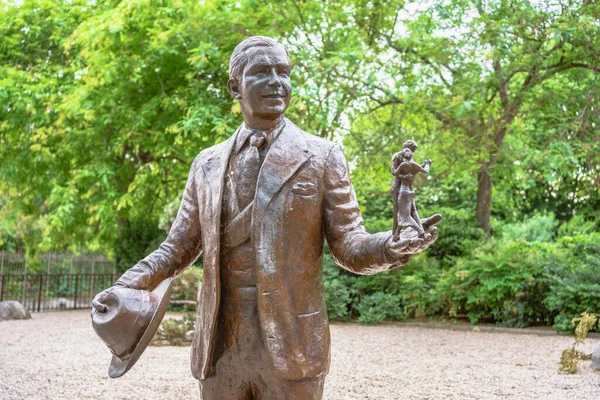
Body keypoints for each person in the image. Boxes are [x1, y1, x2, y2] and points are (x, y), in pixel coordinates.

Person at [92, 36, 441, 400]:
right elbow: (177, 248)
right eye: (262, 72)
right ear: (234, 86)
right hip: (220, 349)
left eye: (284, 72)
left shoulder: (322, 157)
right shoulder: (206, 165)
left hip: (293, 345)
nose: (277, 81)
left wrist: (390, 246)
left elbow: (349, 244)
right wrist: (126, 285)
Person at [391, 145, 431, 240]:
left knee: (405, 215)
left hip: (404, 191)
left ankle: (420, 231)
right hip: (410, 191)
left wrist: (403, 175)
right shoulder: (413, 164)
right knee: (404, 212)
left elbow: (394, 172)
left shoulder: (403, 165)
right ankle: (396, 235)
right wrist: (427, 164)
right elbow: (425, 171)